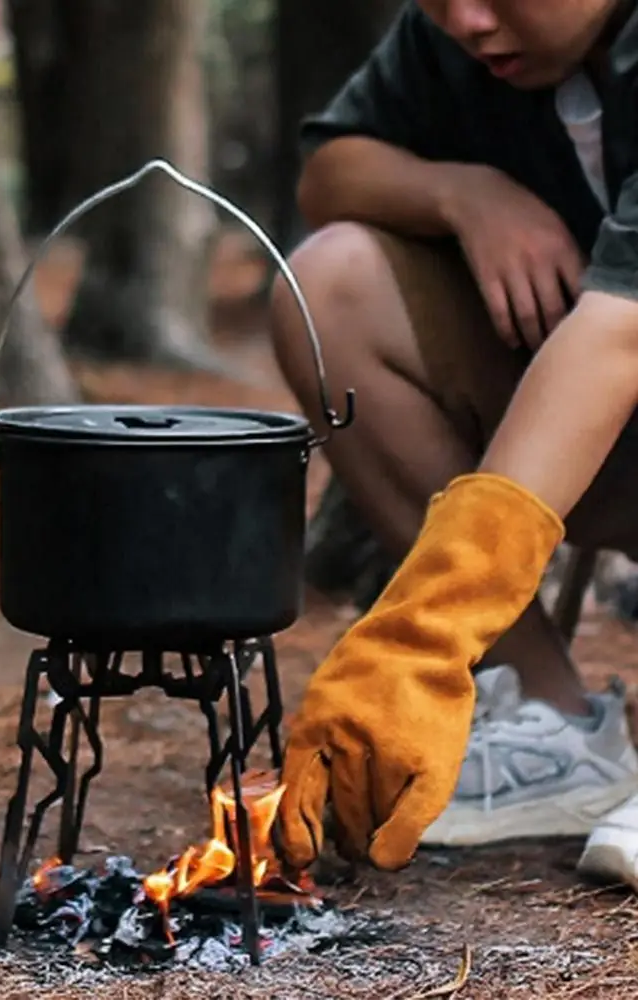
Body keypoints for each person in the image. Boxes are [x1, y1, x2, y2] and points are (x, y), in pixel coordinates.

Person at [271, 0, 638, 890]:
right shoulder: (466, 41)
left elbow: (621, 334)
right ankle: (556, 726)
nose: (466, 21)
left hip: (608, 362)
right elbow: (329, 174)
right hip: (594, 448)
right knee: (332, 285)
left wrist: (425, 632)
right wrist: (461, 194)